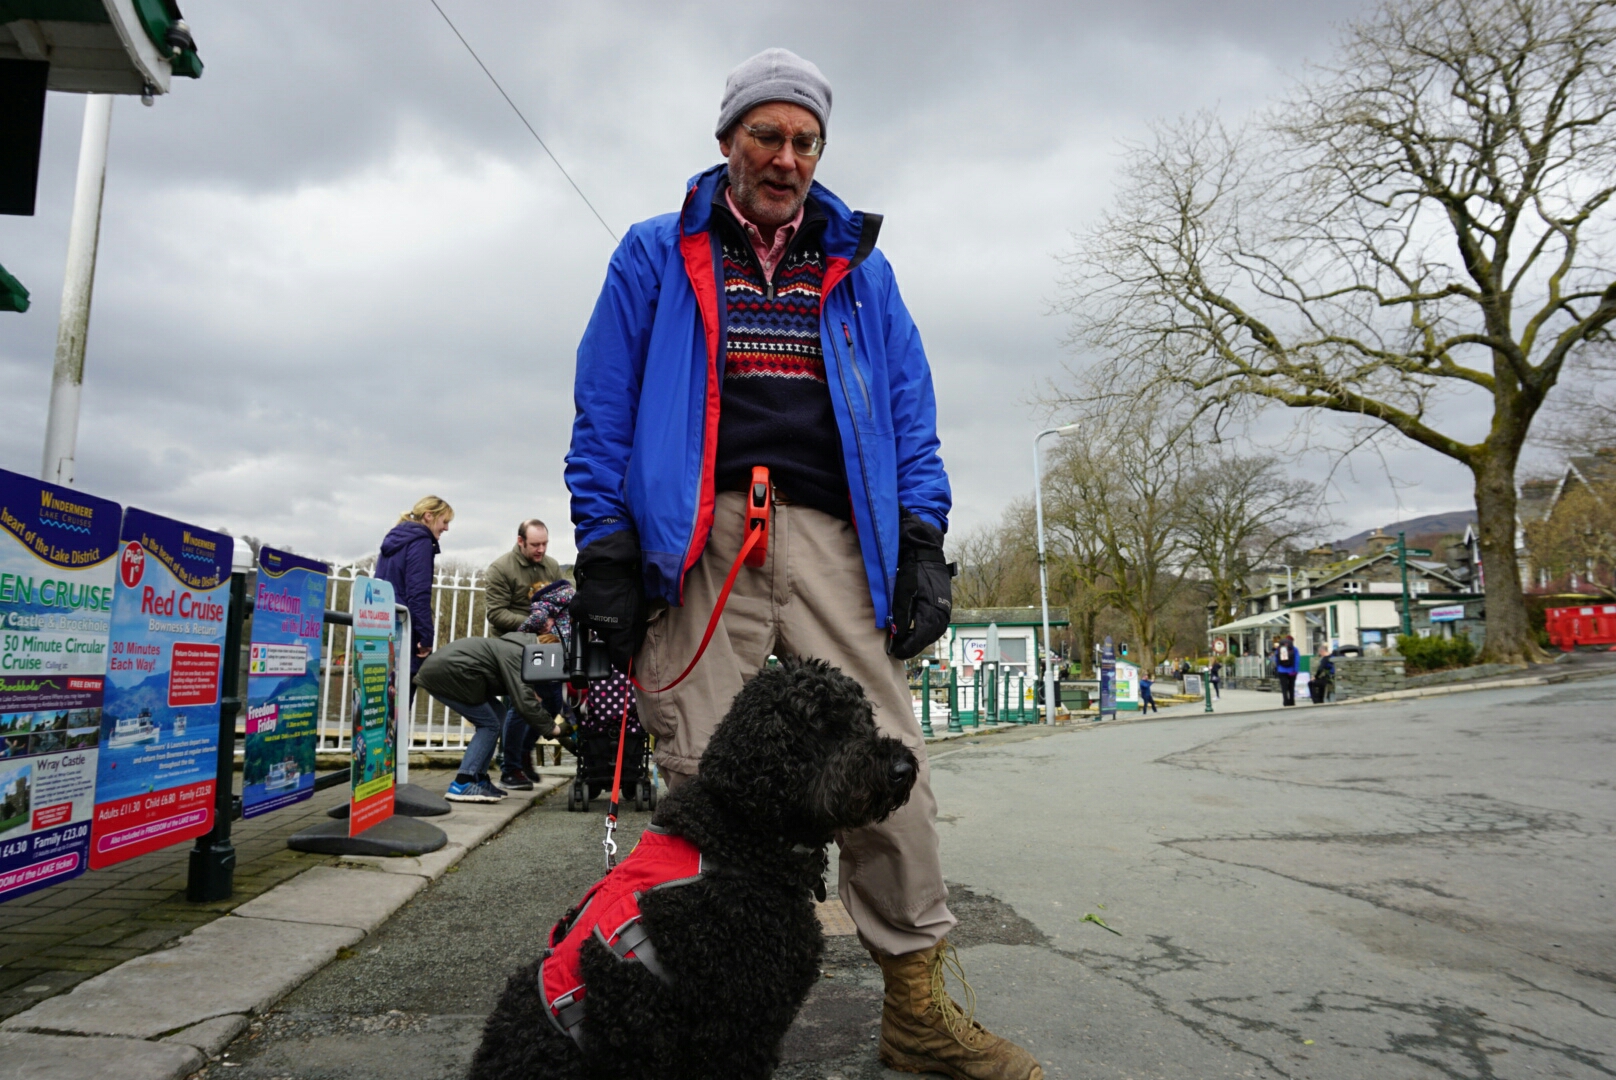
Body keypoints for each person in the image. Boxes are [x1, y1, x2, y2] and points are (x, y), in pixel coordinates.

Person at [564, 48, 1039, 1080]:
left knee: (888, 768)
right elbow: (603, 411)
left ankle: (913, 1012)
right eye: (765, 136)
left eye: (803, 140)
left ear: (819, 150)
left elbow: (911, 417)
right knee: (702, 777)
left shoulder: (862, 270)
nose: (784, 157)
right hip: (703, 537)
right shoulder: (653, 254)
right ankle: (697, 1011)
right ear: (727, 139)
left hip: (831, 533)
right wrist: (603, 546)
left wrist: (922, 543)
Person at [415, 630, 551, 802]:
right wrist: (552, 729)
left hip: (456, 672)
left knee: (499, 713)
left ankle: (478, 778)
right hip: (447, 673)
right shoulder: (518, 653)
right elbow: (524, 702)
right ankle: (462, 783)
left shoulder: (518, 648)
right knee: (489, 724)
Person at [484, 520, 564, 787]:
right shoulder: (500, 569)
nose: (540, 549)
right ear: (520, 542)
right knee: (522, 703)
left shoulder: (551, 566)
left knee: (552, 703)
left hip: (547, 646)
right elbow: (495, 614)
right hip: (513, 646)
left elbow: (560, 599)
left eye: (544, 544)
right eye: (535, 545)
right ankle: (511, 768)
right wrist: (534, 621)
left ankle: (524, 751)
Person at [374, 496, 452, 685]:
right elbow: (418, 594)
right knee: (399, 703)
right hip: (404, 632)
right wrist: (425, 637)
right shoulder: (421, 542)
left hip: (380, 625)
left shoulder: (395, 538)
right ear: (428, 516)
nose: (446, 528)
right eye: (445, 521)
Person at [1274, 634, 1299, 706]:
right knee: (1291, 686)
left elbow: (1276, 659)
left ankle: (1285, 701)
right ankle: (1292, 701)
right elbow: (1297, 660)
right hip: (1292, 671)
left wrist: (1278, 668)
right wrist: (1295, 670)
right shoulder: (1294, 649)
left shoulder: (1279, 649)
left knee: (1284, 687)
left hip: (1281, 671)